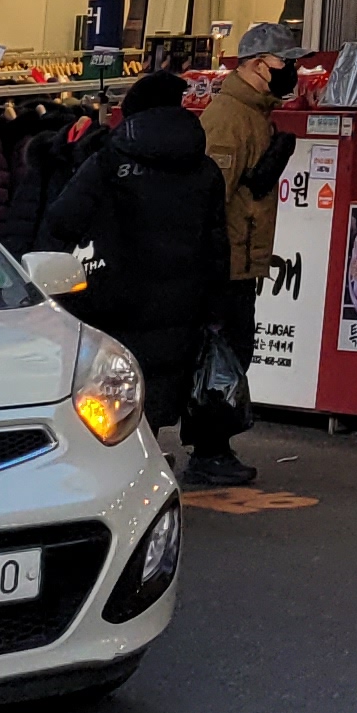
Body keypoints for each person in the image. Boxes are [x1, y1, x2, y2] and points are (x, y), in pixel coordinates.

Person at [41, 73, 231, 446]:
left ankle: (123, 459)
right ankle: (151, 451)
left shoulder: (109, 163)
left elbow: (62, 219)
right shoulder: (204, 169)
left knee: (117, 390)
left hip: (117, 300)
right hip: (182, 304)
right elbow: (218, 245)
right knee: (160, 387)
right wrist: (216, 306)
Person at [188, 20, 298, 491]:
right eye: (284, 63)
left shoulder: (253, 114)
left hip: (238, 261)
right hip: (225, 266)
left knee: (232, 352)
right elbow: (213, 198)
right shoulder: (230, 117)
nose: (292, 72)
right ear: (256, 65)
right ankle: (209, 450)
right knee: (222, 357)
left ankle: (214, 447)